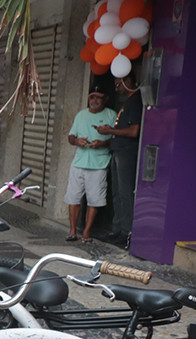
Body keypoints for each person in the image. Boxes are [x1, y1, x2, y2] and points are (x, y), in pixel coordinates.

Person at [65, 87, 117, 243]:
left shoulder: (111, 114)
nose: (94, 100)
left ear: (104, 99)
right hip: (79, 163)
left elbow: (116, 139)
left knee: (94, 200)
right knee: (73, 198)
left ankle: (86, 233)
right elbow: (71, 137)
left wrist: (102, 143)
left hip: (99, 164)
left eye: (98, 97)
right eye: (92, 97)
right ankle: (73, 231)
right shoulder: (81, 115)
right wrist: (77, 141)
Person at [97, 74, 143, 248]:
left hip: (127, 152)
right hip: (118, 150)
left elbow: (133, 131)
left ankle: (127, 232)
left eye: (119, 84)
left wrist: (111, 131)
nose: (116, 88)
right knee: (116, 193)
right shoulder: (129, 102)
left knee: (125, 193)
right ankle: (117, 229)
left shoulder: (136, 100)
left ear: (129, 81)